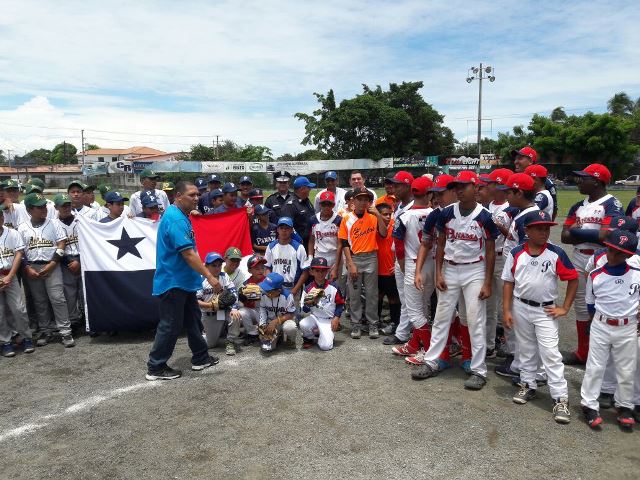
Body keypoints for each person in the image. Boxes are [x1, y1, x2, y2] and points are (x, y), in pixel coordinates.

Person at [410, 170, 498, 390]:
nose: (459, 190)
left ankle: (479, 370)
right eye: (456, 186)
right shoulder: (447, 213)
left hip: (474, 270)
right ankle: (432, 361)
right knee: (441, 317)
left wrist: (487, 282)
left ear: (475, 187)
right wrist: (439, 273)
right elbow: (440, 243)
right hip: (450, 268)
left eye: (464, 186)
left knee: (475, 319)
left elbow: (490, 250)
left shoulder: (485, 216)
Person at [502, 210, 578, 423]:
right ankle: (528, 384)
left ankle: (560, 398)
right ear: (527, 230)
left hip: (545, 309)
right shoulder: (516, 252)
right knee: (526, 349)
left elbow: (573, 279)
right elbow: (508, 282)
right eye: (539, 228)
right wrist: (507, 310)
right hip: (521, 306)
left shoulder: (555, 253)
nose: (544, 232)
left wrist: (565, 307)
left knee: (550, 353)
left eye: (547, 228)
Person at [146, 181, 219, 381]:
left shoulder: (180, 215)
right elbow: (188, 254)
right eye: (191, 195)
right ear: (178, 196)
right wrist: (210, 276)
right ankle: (156, 366)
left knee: (193, 319)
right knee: (170, 325)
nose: (197, 198)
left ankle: (201, 357)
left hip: (183, 281)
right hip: (174, 281)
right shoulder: (176, 219)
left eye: (197, 195)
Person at [561, 164, 623, 365]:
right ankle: (583, 352)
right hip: (579, 257)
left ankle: (607, 356)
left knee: (605, 306)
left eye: (583, 178)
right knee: (581, 306)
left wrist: (576, 231)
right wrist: (590, 233)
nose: (579, 181)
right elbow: (564, 236)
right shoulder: (577, 206)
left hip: (603, 259)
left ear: (596, 181)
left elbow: (607, 236)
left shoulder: (612, 204)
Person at [580, 229, 640, 430]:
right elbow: (590, 303)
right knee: (595, 366)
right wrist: (593, 323)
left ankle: (624, 406)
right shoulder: (596, 274)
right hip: (602, 324)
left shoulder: (637, 274)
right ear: (606, 248)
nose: (613, 256)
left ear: (628, 255)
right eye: (611, 250)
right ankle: (589, 404)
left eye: (620, 253)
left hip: (627, 326)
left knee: (626, 369)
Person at [493, 173, 542, 379]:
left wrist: (516, 280)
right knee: (516, 320)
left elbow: (528, 253)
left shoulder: (529, 217)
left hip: (522, 277)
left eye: (509, 192)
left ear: (519, 193)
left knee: (521, 321)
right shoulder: (523, 213)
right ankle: (519, 362)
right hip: (516, 274)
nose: (506, 196)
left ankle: (525, 366)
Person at [18, 193, 74, 348]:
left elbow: (62, 243)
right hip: (32, 267)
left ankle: (65, 331)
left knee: (58, 298)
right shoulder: (22, 227)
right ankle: (46, 330)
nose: (44, 209)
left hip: (52, 265)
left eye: (44, 206)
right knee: (40, 301)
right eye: (39, 207)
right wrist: (27, 267)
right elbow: (20, 251)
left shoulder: (54, 223)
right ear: (29, 210)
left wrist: (53, 263)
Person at [390, 176, 434, 359]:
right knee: (423, 307)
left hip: (413, 263)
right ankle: (415, 344)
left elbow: (399, 247)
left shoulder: (404, 216)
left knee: (414, 311)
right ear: (429, 194)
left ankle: (430, 352)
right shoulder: (435, 213)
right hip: (432, 263)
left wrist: (402, 267)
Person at [336, 187, 387, 339]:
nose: (363, 202)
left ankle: (373, 323)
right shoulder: (347, 218)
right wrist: (350, 264)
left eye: (366, 199)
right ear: (353, 200)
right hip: (355, 258)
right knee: (354, 293)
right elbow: (344, 243)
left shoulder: (373, 217)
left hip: (371, 257)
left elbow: (383, 233)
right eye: (360, 199)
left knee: (372, 294)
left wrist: (378, 215)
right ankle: (356, 323)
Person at [382, 171, 415, 346]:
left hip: (411, 260)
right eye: (393, 184)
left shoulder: (416, 207)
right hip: (400, 258)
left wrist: (401, 262)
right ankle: (404, 332)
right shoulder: (399, 206)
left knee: (413, 300)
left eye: (398, 185)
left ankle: (409, 333)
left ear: (408, 186)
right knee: (405, 299)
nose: (393, 188)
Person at [0, 205, 35, 357]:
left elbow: (19, 254)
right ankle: (5, 342)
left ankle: (26, 337)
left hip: (10, 275)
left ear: (2, 218)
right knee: (0, 312)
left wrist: (10, 276)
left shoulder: (13, 233)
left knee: (19, 309)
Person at [196, 252, 242, 356]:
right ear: (206, 266)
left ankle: (230, 341)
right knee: (210, 344)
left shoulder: (224, 276)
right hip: (210, 314)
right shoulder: (201, 280)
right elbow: (195, 301)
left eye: (219, 265)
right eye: (214, 265)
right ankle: (206, 334)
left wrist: (234, 309)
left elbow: (233, 292)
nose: (217, 268)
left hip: (224, 311)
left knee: (236, 315)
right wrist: (211, 305)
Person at [54, 193, 85, 333]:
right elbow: (55, 247)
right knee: (69, 293)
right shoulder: (53, 224)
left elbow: (88, 242)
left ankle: (87, 317)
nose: (66, 208)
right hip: (65, 262)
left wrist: (79, 260)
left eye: (68, 205)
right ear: (56, 207)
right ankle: (73, 321)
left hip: (83, 259)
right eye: (63, 206)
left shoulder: (81, 220)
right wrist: (68, 262)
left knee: (84, 291)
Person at [300, 257, 345, 350]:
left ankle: (322, 333)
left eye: (323, 271)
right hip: (315, 317)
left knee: (325, 346)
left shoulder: (334, 287)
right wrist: (309, 303)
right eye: (317, 271)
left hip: (328, 320)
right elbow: (304, 310)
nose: (320, 273)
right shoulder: (308, 288)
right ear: (311, 271)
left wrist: (336, 318)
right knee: (303, 324)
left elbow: (340, 304)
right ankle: (308, 338)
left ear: (327, 271)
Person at [264, 217, 308, 296]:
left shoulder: (299, 247)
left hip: (292, 287)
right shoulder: (271, 246)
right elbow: (267, 268)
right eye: (281, 228)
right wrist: (271, 284)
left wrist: (295, 290)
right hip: (275, 287)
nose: (284, 230)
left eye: (287, 228)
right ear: (277, 230)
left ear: (291, 230)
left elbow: (305, 272)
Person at [511, 146, 558, 220]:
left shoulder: (546, 182)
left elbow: (554, 208)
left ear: (530, 161)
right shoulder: (515, 179)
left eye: (520, 158)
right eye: (515, 158)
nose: (515, 161)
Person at [375, 203, 400, 336]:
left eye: (389, 214)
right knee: (377, 296)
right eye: (385, 214)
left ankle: (395, 322)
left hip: (390, 270)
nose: (388, 217)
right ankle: (376, 321)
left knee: (393, 298)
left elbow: (400, 246)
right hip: (376, 270)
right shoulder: (373, 226)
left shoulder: (395, 226)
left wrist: (397, 264)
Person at [257, 272, 298, 352]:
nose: (266, 292)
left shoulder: (287, 295)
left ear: (279, 290)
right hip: (269, 322)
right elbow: (262, 310)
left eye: (269, 290)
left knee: (290, 327)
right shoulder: (263, 294)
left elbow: (291, 314)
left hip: (284, 322)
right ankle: (278, 336)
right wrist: (262, 324)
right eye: (265, 289)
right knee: (266, 348)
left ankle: (290, 340)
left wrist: (276, 321)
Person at [237, 254, 267, 345]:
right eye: (257, 268)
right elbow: (243, 302)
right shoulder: (246, 284)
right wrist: (243, 297)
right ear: (249, 270)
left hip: (266, 312)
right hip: (253, 311)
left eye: (262, 268)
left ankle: (271, 333)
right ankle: (252, 334)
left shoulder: (268, 281)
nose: (260, 270)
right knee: (242, 312)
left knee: (267, 334)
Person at [308, 191, 342, 267]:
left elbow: (340, 244)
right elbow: (311, 240)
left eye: (329, 204)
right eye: (324, 204)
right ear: (320, 204)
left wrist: (336, 265)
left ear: (333, 205)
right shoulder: (313, 219)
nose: (326, 207)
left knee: (335, 275)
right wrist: (310, 257)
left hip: (334, 254)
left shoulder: (338, 220)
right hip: (319, 254)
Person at [288, 176, 315, 249]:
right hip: (298, 245)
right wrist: (299, 240)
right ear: (302, 189)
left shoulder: (307, 201)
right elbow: (288, 226)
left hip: (309, 242)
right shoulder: (290, 205)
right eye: (308, 187)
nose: (310, 189)